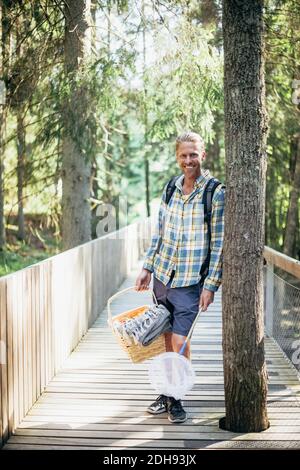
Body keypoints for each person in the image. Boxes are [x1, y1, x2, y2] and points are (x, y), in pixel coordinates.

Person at [135, 131, 225, 423]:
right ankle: (166, 392)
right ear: (177, 157)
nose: (189, 161)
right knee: (164, 339)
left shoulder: (214, 192)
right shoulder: (171, 188)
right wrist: (147, 267)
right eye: (184, 155)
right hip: (163, 277)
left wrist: (210, 285)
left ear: (203, 155)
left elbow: (219, 244)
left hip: (189, 283)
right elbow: (159, 232)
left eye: (193, 155)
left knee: (180, 341)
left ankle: (176, 397)